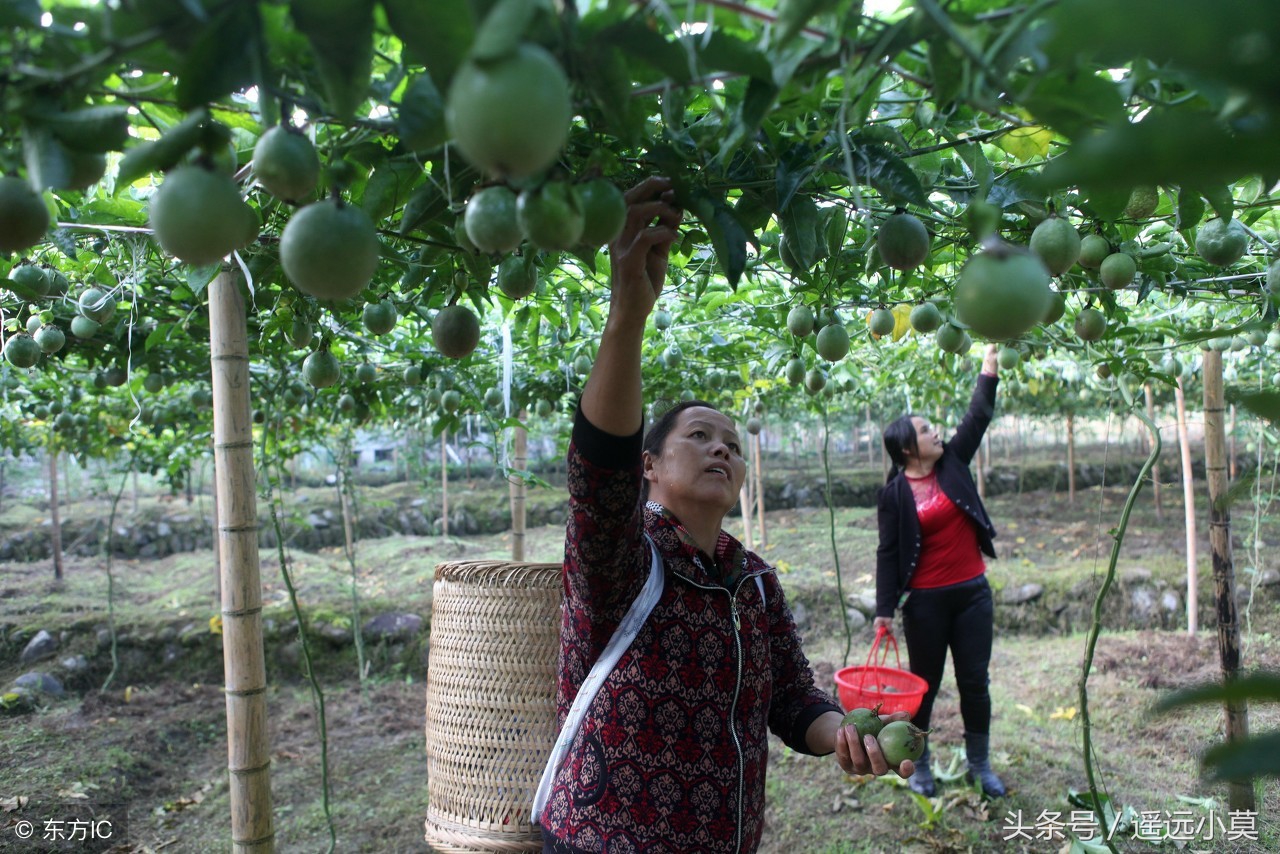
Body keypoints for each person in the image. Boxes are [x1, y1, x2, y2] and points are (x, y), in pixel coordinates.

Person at [536, 176, 914, 853]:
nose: (720, 450)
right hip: (604, 839)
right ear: (648, 466)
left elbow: (793, 700)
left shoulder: (753, 580)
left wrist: (845, 736)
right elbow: (597, 474)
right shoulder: (623, 558)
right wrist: (628, 316)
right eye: (700, 437)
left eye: (733, 447)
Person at [872, 343, 1006, 798]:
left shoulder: (952, 462)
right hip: (925, 604)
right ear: (908, 448)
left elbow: (978, 417)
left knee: (975, 682)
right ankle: (920, 762)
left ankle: (981, 765)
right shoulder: (894, 496)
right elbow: (887, 554)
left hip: (971, 594)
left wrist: (989, 367)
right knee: (924, 689)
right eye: (926, 430)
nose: (936, 433)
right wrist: (883, 611)